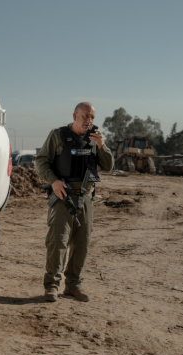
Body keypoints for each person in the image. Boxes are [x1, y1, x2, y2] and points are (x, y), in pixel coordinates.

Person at [34, 102, 114, 302]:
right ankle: (52, 285)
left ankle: (73, 286)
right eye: (85, 116)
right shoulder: (58, 135)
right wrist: (53, 181)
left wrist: (101, 146)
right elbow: (41, 161)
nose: (89, 121)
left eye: (92, 117)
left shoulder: (95, 139)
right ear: (75, 115)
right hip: (63, 196)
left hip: (85, 198)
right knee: (57, 242)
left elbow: (108, 166)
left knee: (82, 244)